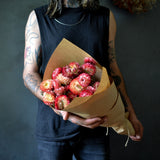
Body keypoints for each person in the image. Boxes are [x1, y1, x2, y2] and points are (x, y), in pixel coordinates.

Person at [23, 0, 144, 159]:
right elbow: (29, 74)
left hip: (98, 125)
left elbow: (113, 70)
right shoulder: (38, 17)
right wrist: (59, 107)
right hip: (53, 128)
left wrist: (130, 113)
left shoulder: (105, 17)